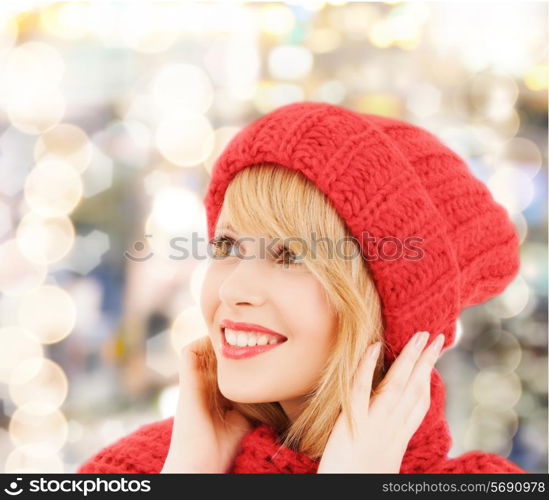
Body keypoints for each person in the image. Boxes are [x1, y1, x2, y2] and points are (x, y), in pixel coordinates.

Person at [77, 102, 527, 473]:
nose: (234, 289)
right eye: (228, 246)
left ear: (389, 308)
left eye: (290, 255)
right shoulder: (138, 468)